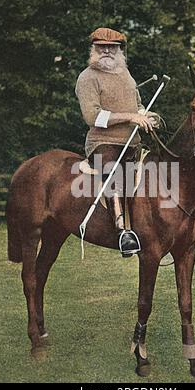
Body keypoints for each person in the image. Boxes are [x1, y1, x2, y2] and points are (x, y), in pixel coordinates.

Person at [75, 27, 159, 257]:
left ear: (119, 49)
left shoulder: (126, 74)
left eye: (112, 47)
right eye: (102, 47)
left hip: (133, 142)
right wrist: (131, 117)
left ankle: (164, 230)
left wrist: (146, 116)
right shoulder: (87, 78)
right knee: (114, 172)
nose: (107, 51)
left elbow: (138, 106)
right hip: (103, 142)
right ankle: (123, 232)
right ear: (94, 48)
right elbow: (93, 117)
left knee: (160, 172)